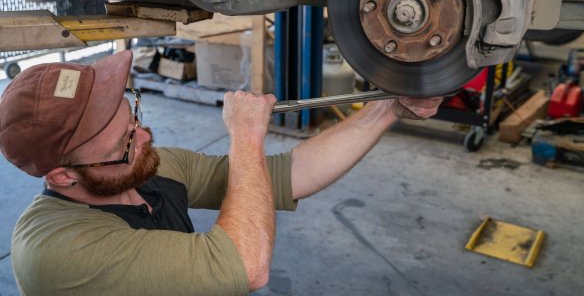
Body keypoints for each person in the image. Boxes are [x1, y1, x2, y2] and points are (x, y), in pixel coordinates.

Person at [0, 50, 442, 295]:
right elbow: (247, 267)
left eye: (133, 117)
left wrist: (387, 110)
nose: (146, 136)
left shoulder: (147, 168)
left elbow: (288, 175)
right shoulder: (56, 252)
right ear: (62, 177)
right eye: (124, 143)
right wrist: (246, 136)